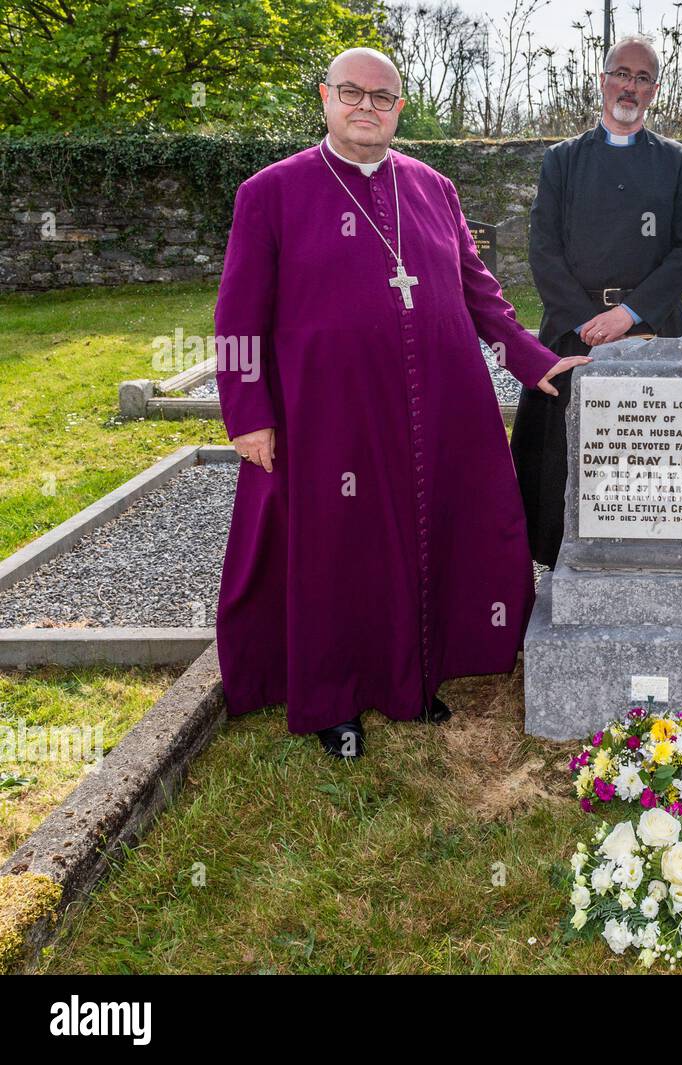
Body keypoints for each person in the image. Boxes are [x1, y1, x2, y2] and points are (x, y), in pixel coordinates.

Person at [214, 47, 587, 759]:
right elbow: (236, 317)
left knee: (424, 538)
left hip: (436, 403)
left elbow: (480, 291)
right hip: (329, 414)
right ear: (325, 98)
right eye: (351, 93)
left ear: (399, 110)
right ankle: (334, 699)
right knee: (337, 553)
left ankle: (413, 679)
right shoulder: (271, 191)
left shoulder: (434, 188)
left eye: (382, 98)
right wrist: (248, 413)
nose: (366, 107)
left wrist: (532, 360)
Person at [511, 34, 682, 568]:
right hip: (573, 330)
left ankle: (656, 549)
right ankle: (563, 559)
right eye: (622, 73)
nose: (631, 85)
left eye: (643, 78)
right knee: (560, 463)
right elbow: (544, 250)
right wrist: (586, 321)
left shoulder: (677, 163)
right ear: (603, 81)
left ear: (654, 91)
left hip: (654, 326)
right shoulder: (562, 161)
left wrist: (628, 313)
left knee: (650, 455)